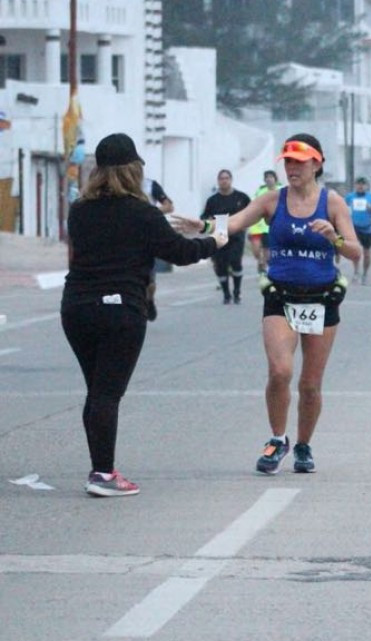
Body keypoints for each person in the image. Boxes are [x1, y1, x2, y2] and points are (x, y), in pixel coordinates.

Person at [62, 133, 227, 497]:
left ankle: (100, 469)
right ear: (133, 171)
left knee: (97, 391)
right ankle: (103, 474)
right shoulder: (142, 213)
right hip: (121, 309)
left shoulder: (79, 211)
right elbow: (180, 253)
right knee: (107, 394)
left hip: (77, 308)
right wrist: (214, 241)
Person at [192, 133, 361, 474]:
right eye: (287, 162)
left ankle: (303, 445)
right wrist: (205, 225)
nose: (292, 168)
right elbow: (236, 222)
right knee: (280, 371)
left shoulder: (333, 204)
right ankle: (277, 439)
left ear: (317, 163)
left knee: (310, 384)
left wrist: (334, 237)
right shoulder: (272, 201)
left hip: (322, 299)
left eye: (299, 162)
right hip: (281, 297)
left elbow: (354, 251)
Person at [201, 169, 251, 304]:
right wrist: (208, 224)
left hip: (237, 234)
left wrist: (245, 223)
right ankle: (226, 294)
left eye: (227, 178)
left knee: (235, 261)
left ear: (231, 179)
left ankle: (237, 291)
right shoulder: (213, 200)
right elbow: (204, 217)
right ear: (218, 181)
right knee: (220, 265)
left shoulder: (241, 197)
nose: (224, 181)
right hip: (220, 234)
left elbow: (252, 211)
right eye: (221, 179)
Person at [142, 175, 174, 322]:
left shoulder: (150, 185)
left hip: (148, 235)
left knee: (150, 280)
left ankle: (149, 300)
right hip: (126, 234)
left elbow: (169, 206)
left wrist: (151, 213)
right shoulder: (118, 185)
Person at [345, 177, 371, 284]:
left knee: (367, 254)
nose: (360, 186)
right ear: (355, 185)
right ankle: (356, 271)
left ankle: (365, 273)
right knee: (355, 252)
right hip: (354, 228)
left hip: (367, 228)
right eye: (358, 184)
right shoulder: (350, 196)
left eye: (363, 184)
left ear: (366, 186)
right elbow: (341, 207)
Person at [249, 170, 281, 275]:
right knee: (256, 250)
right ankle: (260, 261)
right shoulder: (260, 191)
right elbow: (253, 206)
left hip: (271, 226)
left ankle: (266, 266)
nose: (269, 179)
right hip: (257, 225)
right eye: (267, 177)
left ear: (275, 179)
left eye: (271, 177)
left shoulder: (281, 190)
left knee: (268, 249)